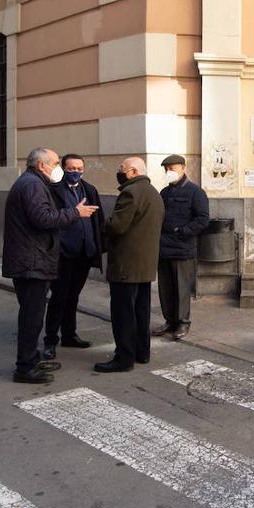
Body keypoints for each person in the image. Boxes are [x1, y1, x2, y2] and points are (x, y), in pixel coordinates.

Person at [2, 148, 99, 384]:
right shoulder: (32, 185)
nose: (58, 167)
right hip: (31, 262)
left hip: (31, 259)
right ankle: (25, 368)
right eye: (56, 163)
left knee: (33, 314)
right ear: (41, 165)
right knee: (32, 317)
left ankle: (32, 360)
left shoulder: (30, 182)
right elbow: (43, 218)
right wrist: (75, 213)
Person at [96, 157, 164, 373]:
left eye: (122, 169)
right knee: (141, 311)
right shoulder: (153, 192)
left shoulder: (130, 192)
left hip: (126, 264)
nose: (119, 171)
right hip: (145, 264)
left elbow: (117, 226)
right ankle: (141, 352)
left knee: (123, 313)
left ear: (133, 171)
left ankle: (124, 358)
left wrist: (102, 222)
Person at [40, 154, 105, 361]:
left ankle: (69, 334)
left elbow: (98, 219)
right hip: (62, 254)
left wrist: (98, 246)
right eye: (71, 168)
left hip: (84, 254)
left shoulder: (90, 190)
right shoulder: (53, 190)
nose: (76, 171)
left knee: (73, 296)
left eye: (79, 168)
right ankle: (50, 340)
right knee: (59, 297)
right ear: (64, 169)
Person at [156, 154, 210, 340]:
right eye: (166, 169)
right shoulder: (164, 192)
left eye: (173, 168)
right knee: (165, 288)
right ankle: (169, 321)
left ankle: (182, 323)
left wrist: (183, 231)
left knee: (181, 288)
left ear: (183, 168)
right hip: (163, 248)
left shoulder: (196, 192)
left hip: (183, 248)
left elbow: (203, 219)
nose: (169, 172)